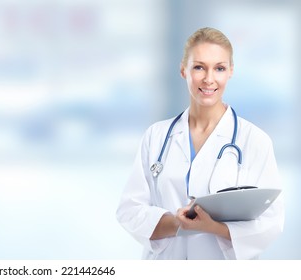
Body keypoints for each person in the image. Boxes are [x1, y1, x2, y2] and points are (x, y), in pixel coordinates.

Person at [116, 27, 284, 259]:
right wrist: (177, 223)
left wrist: (211, 227)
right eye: (199, 67)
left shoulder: (254, 140)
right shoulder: (156, 136)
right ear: (183, 70)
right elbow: (129, 210)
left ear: (230, 72)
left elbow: (270, 221)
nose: (209, 79)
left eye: (219, 68)